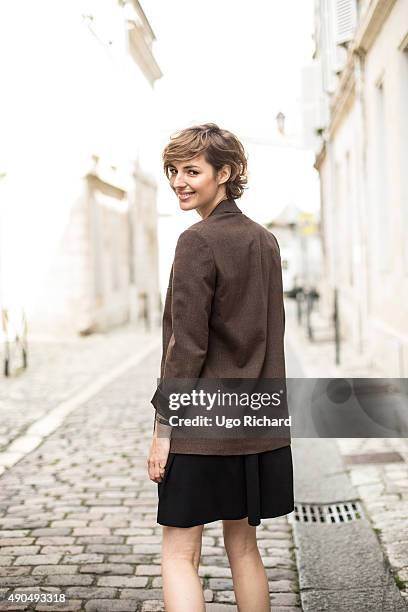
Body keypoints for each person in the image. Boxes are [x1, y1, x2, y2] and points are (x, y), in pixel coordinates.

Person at [147, 123, 294, 612]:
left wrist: (164, 429)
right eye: (173, 170)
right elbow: (271, 333)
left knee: (179, 554)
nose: (178, 181)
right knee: (245, 550)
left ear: (225, 173)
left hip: (203, 424)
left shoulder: (197, 241)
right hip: (256, 421)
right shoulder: (265, 241)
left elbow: (185, 347)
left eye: (192, 170)